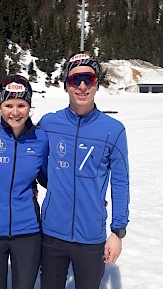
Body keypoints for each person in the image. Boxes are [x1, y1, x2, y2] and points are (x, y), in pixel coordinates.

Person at [38, 51, 130, 288]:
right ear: (66, 85)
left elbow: (120, 183)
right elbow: (35, 164)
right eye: (74, 79)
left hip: (91, 237)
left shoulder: (113, 130)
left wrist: (117, 232)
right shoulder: (49, 123)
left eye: (88, 79)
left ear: (97, 83)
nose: (81, 86)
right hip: (51, 234)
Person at [0, 74, 49, 289]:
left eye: (22, 105)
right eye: (9, 105)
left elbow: (49, 180)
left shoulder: (41, 139)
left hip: (28, 232)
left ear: (29, 106)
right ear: (0, 105)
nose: (15, 112)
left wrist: (84, 195)